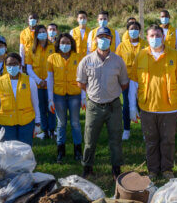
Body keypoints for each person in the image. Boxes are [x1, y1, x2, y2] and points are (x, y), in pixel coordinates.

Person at [129, 24, 177, 180]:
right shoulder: (141, 56)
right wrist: (132, 107)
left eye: (158, 35)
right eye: (152, 36)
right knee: (151, 141)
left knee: (168, 141)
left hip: (169, 109)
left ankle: (167, 169)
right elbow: (133, 84)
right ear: (147, 38)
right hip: (147, 108)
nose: (155, 38)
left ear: (163, 37)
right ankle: (153, 170)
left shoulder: (175, 56)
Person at [77, 27, 130, 177]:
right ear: (95, 40)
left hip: (113, 105)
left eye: (107, 37)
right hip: (94, 105)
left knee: (116, 139)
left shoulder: (118, 61)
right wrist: (93, 92)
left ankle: (116, 169)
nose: (103, 40)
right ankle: (87, 167)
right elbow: (81, 83)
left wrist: (111, 92)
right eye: (100, 37)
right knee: (90, 138)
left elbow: (124, 83)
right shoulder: (86, 61)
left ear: (111, 40)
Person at [0, 52, 42, 145]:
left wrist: (38, 122)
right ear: (5, 66)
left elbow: (35, 103)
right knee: (10, 151)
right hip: (7, 124)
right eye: (9, 64)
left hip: (26, 122)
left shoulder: (29, 81)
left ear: (20, 64)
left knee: (25, 149)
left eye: (15, 64)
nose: (12, 66)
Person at [47, 34, 83, 162]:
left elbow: (82, 78)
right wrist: (50, 99)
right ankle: (60, 151)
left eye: (68, 42)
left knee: (75, 123)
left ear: (72, 44)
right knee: (61, 124)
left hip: (74, 94)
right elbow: (50, 79)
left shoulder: (78, 58)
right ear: (58, 44)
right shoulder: (52, 58)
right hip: (59, 95)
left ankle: (78, 151)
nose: (65, 45)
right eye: (62, 42)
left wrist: (83, 96)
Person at [26, 24, 56, 139]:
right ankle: (45, 130)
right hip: (37, 84)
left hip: (50, 82)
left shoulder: (52, 47)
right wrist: (39, 81)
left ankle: (52, 130)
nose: (42, 34)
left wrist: (47, 80)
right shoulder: (31, 49)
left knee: (51, 106)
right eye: (40, 32)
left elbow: (54, 65)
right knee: (41, 107)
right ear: (36, 35)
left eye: (44, 31)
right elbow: (29, 68)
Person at [116, 19, 143, 141]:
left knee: (143, 105)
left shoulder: (145, 44)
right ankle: (126, 130)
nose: (134, 31)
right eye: (131, 29)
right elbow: (117, 62)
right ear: (128, 31)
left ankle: (145, 131)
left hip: (142, 80)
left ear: (140, 31)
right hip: (126, 79)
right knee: (126, 105)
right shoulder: (122, 46)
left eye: (136, 29)